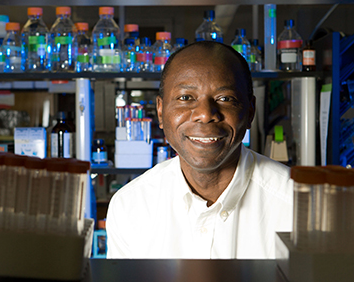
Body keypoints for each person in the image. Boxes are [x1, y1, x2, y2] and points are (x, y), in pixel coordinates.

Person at [106, 41, 293, 259]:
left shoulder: (296, 204)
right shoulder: (131, 206)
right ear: (160, 111)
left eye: (225, 99)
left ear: (250, 112)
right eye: (185, 98)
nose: (205, 114)